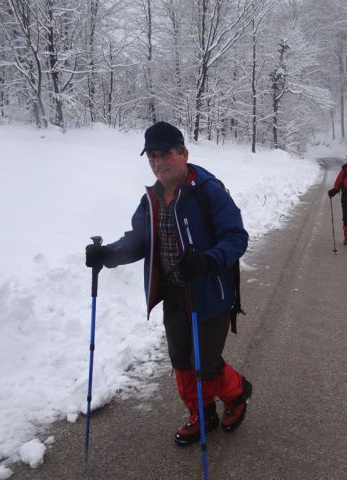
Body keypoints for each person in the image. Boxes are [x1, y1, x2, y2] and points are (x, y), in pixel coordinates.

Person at [85, 121, 252, 446]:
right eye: (152, 156)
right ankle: (200, 413)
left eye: (165, 154)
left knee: (206, 362)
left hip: (210, 294)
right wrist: (109, 254)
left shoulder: (207, 190)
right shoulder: (151, 199)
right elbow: (140, 239)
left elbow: (237, 238)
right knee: (181, 360)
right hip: (175, 294)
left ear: (183, 154)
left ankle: (236, 395)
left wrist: (206, 261)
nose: (158, 162)